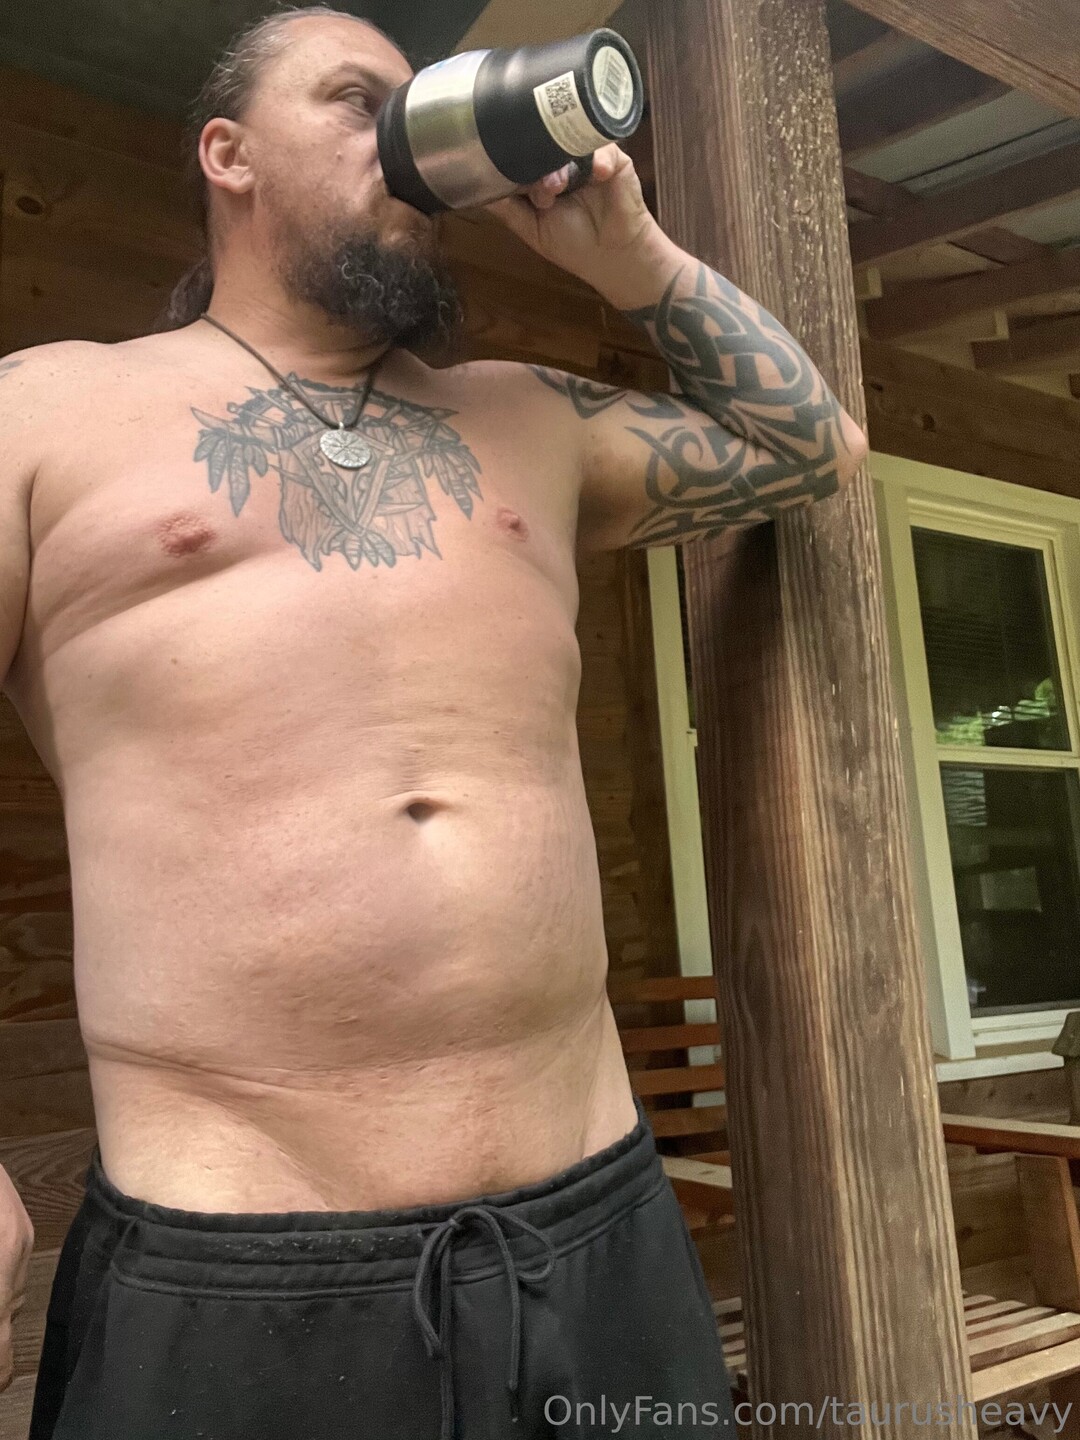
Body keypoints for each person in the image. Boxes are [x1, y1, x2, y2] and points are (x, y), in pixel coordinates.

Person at [0, 7, 868, 1438]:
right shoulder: (45, 413)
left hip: (596, 1238)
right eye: (358, 102)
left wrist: (628, 258)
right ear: (227, 153)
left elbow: (812, 451)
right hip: (233, 1274)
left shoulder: (525, 416)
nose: (406, 140)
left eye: (423, 107)